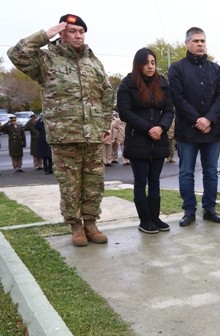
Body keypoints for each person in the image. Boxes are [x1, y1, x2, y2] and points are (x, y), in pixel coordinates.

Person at [8, 14, 112, 247]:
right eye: (72, 31)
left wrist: (105, 124)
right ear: (62, 32)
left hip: (92, 135)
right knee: (70, 184)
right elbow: (16, 54)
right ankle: (76, 226)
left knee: (94, 183)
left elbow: (107, 93)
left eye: (81, 32)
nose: (78, 35)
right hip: (65, 135)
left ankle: (91, 223)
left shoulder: (92, 61)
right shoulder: (46, 59)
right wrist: (45, 35)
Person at [169, 27, 220, 226]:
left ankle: (210, 209)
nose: (200, 44)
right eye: (196, 41)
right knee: (186, 172)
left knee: (211, 172)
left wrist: (209, 119)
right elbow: (178, 98)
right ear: (187, 44)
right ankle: (189, 211)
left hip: (211, 130)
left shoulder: (215, 69)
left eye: (203, 41)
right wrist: (198, 120)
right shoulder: (177, 69)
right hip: (187, 130)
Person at [117, 47, 174, 234]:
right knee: (141, 181)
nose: (150, 66)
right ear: (138, 64)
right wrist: (148, 128)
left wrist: (161, 127)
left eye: (153, 63)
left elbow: (169, 110)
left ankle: (155, 217)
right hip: (138, 139)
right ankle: (145, 219)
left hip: (159, 139)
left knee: (155, 180)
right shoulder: (127, 84)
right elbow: (125, 112)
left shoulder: (162, 83)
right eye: (146, 63)